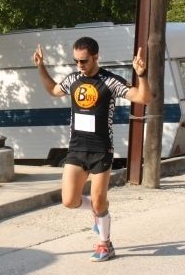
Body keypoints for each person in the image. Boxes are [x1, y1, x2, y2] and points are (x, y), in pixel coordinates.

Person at [32, 37, 151, 262]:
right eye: (76, 61)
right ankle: (97, 212)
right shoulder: (73, 79)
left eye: (84, 61)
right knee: (69, 201)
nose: (80, 65)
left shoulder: (110, 81)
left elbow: (144, 98)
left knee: (99, 200)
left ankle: (105, 244)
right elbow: (54, 90)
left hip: (101, 150)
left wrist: (142, 75)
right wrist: (41, 67)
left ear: (96, 57)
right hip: (76, 150)